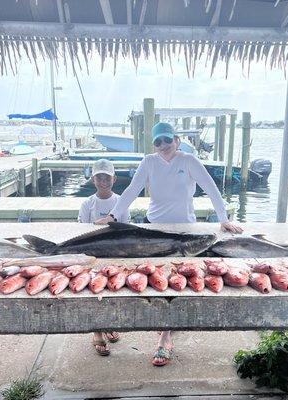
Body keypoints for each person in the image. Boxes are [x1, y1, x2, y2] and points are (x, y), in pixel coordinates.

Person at [95, 122, 243, 366]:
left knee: (177, 282)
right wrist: (112, 216)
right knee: (152, 280)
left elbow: (211, 187)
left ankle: (165, 337)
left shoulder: (188, 160)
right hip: (153, 229)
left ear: (176, 139)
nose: (163, 146)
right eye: (158, 142)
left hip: (185, 230)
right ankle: (159, 321)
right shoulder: (149, 162)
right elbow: (132, 190)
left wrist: (224, 218)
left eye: (167, 140)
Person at [78, 159, 130, 356]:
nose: (103, 181)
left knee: (113, 291)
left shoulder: (121, 203)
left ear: (114, 179)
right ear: (93, 179)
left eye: (107, 177)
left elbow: (126, 231)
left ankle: (108, 325)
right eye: (99, 177)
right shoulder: (87, 204)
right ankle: (97, 332)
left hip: (116, 254)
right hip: (91, 256)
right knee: (93, 291)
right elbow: (82, 234)